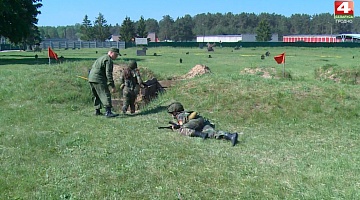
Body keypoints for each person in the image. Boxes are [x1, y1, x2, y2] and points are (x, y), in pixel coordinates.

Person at [166, 102, 239, 146]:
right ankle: (230, 135)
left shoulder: (180, 115)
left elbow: (182, 125)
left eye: (172, 113)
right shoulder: (187, 112)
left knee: (181, 129)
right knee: (210, 132)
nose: (172, 115)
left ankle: (200, 134)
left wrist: (175, 128)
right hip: (202, 121)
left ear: (175, 111)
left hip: (195, 122)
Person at [88, 47, 120, 118]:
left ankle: (97, 111)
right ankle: (108, 112)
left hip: (91, 78)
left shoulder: (101, 58)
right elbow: (108, 73)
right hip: (98, 78)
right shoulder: (108, 60)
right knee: (105, 94)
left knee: (96, 95)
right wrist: (112, 85)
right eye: (116, 54)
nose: (116, 56)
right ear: (111, 53)